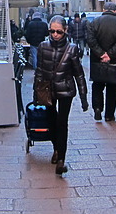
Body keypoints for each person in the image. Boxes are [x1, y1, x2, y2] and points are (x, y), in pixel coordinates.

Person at [33, 15, 88, 175]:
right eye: (52, 31)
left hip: (65, 90)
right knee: (51, 120)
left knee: (62, 122)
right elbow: (40, 71)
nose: (55, 35)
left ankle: (61, 158)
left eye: (59, 32)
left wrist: (84, 97)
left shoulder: (72, 49)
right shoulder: (43, 47)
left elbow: (79, 74)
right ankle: (56, 149)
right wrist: (36, 93)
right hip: (48, 90)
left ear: (65, 31)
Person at [86, 2, 116, 122]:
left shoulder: (94, 22)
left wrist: (101, 53)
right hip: (115, 62)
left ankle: (97, 108)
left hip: (97, 61)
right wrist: (110, 54)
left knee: (97, 86)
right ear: (115, 11)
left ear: (104, 9)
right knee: (112, 89)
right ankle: (109, 114)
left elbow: (90, 40)